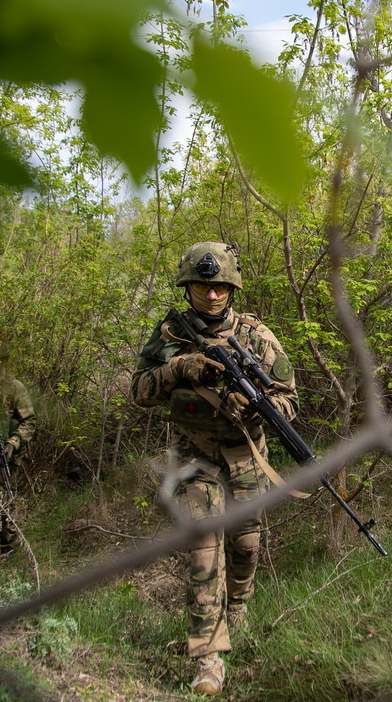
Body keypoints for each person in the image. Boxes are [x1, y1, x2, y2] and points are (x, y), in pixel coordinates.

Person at [131, 241, 297, 697]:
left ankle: (237, 607)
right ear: (187, 286)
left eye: (220, 287)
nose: (211, 295)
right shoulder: (169, 334)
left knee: (245, 544)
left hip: (245, 456)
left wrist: (260, 408)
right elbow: (139, 392)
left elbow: (289, 400)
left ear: (232, 288)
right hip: (193, 458)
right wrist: (178, 369)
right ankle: (208, 659)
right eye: (202, 286)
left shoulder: (257, 336)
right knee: (204, 548)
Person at [0, 338, 36, 549]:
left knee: (6, 500)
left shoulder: (14, 387)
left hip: (4, 453)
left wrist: (13, 443)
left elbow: (29, 421)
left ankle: (5, 544)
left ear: (4, 361)